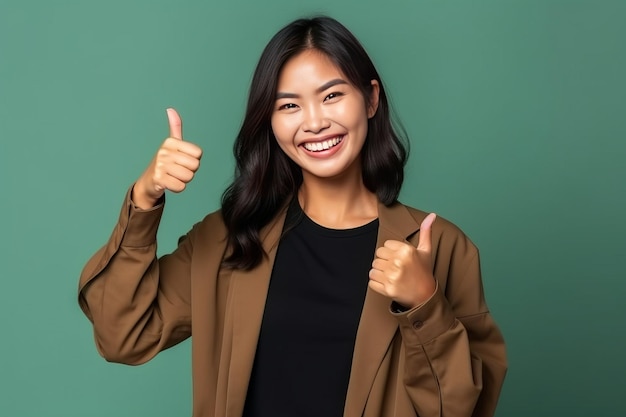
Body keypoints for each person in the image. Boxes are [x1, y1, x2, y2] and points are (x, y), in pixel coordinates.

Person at [78, 16, 507, 417]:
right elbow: (122, 335)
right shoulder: (229, 239)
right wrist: (145, 198)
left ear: (371, 99)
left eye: (332, 95)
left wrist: (425, 306)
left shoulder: (440, 246)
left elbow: (462, 408)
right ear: (270, 122)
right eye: (289, 106)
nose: (315, 122)